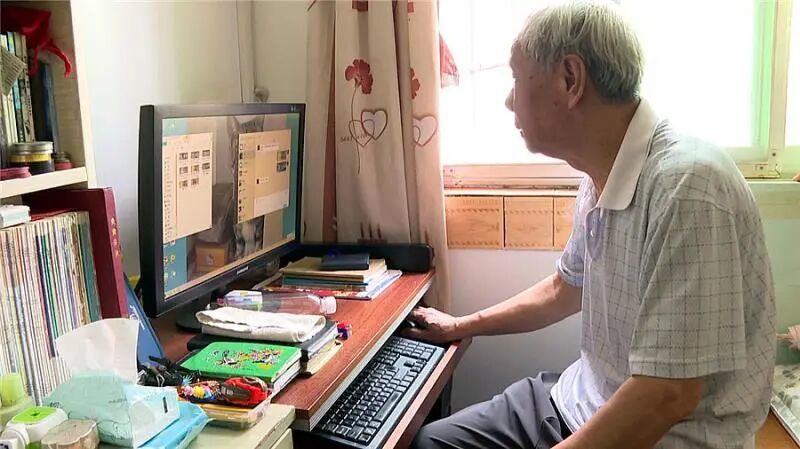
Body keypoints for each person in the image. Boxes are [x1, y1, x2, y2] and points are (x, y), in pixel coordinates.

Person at [409, 2, 776, 449]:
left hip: (666, 436)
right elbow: (564, 289)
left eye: (516, 78)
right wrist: (461, 325)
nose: (508, 101)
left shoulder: (688, 187)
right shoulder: (600, 171)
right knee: (428, 442)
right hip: (579, 398)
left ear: (570, 79)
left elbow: (669, 395)